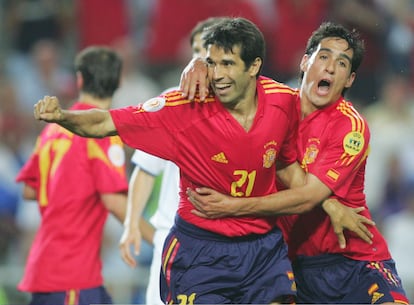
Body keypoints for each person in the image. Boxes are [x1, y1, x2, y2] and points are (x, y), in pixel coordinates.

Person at [33, 17, 304, 304]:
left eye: (228, 64)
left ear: (254, 66)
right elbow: (103, 123)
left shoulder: (283, 102)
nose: (219, 74)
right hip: (202, 251)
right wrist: (63, 116)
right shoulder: (183, 107)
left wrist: (333, 205)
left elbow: (291, 163)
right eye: (211, 63)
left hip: (262, 248)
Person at [184, 22, 410, 304]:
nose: (329, 67)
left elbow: (306, 199)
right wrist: (197, 63)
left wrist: (232, 206)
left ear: (350, 80)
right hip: (294, 264)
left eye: (341, 63)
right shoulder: (270, 103)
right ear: (305, 62)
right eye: (324, 56)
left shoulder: (350, 127)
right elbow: (229, 72)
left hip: (355, 261)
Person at [118, 17, 224, 305]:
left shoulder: (240, 107)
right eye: (196, 51)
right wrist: (130, 223)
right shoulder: (171, 102)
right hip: (173, 234)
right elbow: (145, 168)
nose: (200, 59)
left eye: (208, 51)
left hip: (224, 239)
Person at [16, 46, 129, 305]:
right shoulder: (102, 133)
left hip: (46, 269)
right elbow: (114, 202)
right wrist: (161, 237)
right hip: (73, 276)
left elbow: (30, 190)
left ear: (79, 79)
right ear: (119, 81)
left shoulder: (53, 130)